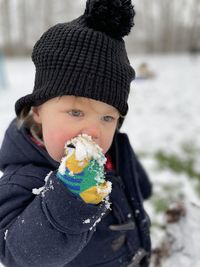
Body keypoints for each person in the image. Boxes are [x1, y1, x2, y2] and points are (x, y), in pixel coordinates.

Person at [0, 0, 152, 266]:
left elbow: (134, 184)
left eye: (108, 117)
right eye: (76, 113)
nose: (94, 131)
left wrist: (142, 188)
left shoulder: (115, 148)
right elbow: (17, 255)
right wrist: (70, 196)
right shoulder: (21, 179)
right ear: (37, 111)